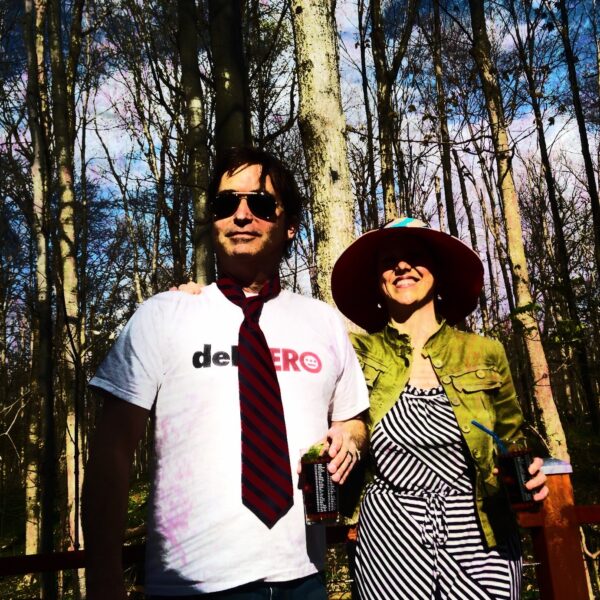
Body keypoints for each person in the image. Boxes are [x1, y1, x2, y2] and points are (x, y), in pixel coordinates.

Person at [82, 147, 369, 600]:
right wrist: (103, 579)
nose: (240, 215)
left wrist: (349, 437)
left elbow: (353, 416)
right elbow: (111, 453)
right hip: (190, 585)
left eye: (259, 204)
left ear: (290, 225)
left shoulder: (323, 321)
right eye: (225, 204)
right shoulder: (164, 315)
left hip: (305, 578)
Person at [330, 217, 549, 600]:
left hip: (481, 532)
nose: (402, 266)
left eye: (415, 256)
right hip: (389, 537)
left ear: (438, 274)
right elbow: (285, 351)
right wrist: (198, 303)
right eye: (389, 260)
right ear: (377, 283)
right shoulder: (354, 351)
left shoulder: (485, 352)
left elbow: (511, 443)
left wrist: (530, 471)